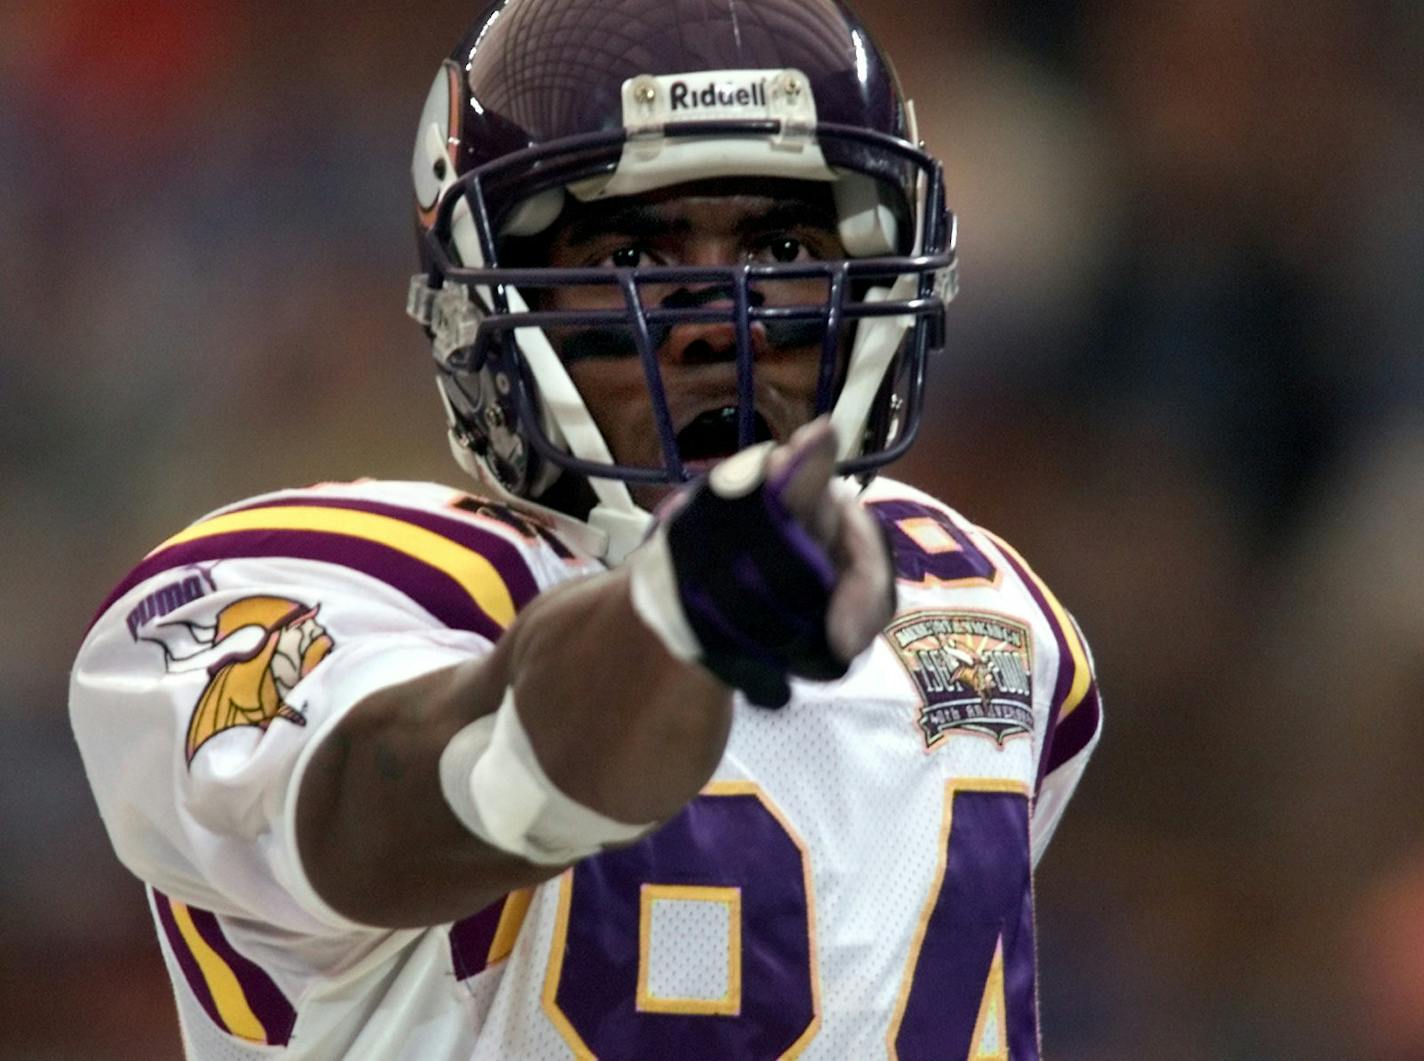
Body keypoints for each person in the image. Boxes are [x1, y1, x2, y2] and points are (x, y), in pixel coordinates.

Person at [70, 0, 1102, 1057]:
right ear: (484, 306)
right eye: (629, 258)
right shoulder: (295, 587)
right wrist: (671, 616)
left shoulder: (982, 607)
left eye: (783, 242)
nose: (722, 320)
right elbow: (404, 811)